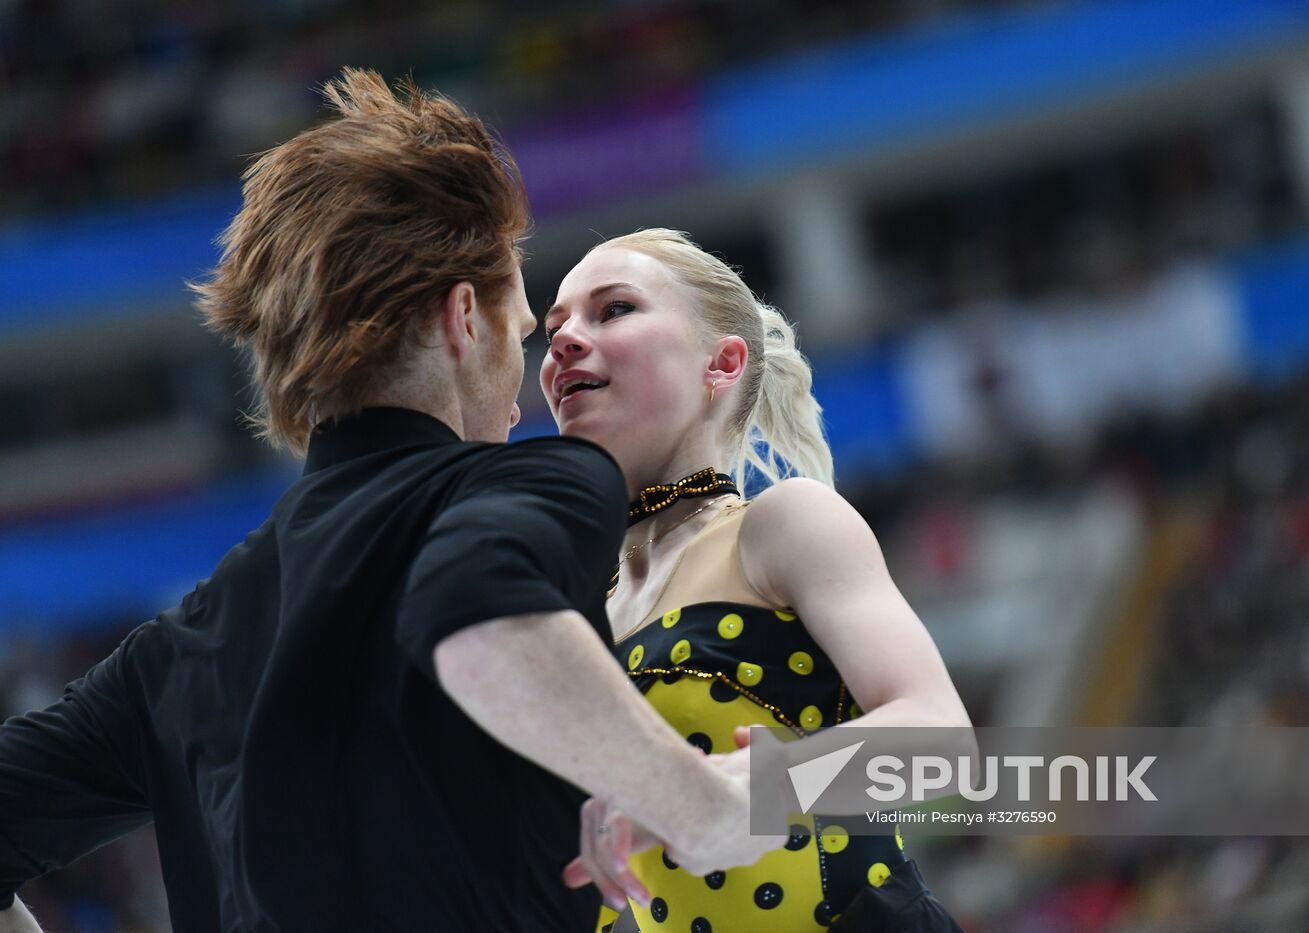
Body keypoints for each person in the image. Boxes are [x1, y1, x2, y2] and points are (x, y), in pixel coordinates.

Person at [0, 74, 780, 932]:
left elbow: (948, 787)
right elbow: (479, 620)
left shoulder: (184, 641)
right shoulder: (539, 480)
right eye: (526, 333)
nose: (529, 391)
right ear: (461, 322)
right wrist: (702, 806)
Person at [539, 229, 971, 932]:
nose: (563, 341)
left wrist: (767, 786)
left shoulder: (780, 525)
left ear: (722, 363)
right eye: (554, 327)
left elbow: (942, 742)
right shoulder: (576, 612)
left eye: (613, 309)